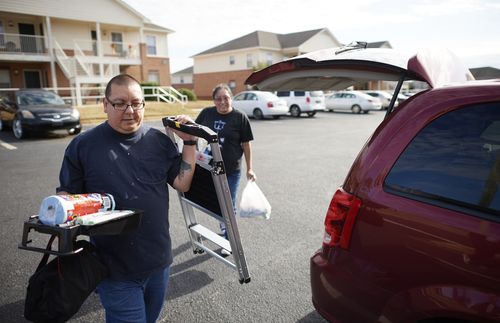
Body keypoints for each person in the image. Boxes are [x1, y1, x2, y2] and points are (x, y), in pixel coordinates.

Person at [56, 74, 197, 323]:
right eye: (120, 103)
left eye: (136, 103)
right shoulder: (83, 146)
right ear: (105, 104)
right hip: (113, 268)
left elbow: (181, 183)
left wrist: (190, 142)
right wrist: (57, 211)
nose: (130, 111)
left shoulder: (159, 142)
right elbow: (66, 196)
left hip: (159, 261)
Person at [195, 83, 256, 254]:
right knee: (216, 202)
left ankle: (228, 241)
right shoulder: (207, 113)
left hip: (231, 170)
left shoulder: (240, 117)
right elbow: (194, 130)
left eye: (226, 98)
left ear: (231, 98)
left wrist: (250, 168)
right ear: (214, 101)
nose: (222, 102)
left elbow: (246, 145)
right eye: (218, 99)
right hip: (209, 169)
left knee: (228, 204)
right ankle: (224, 229)